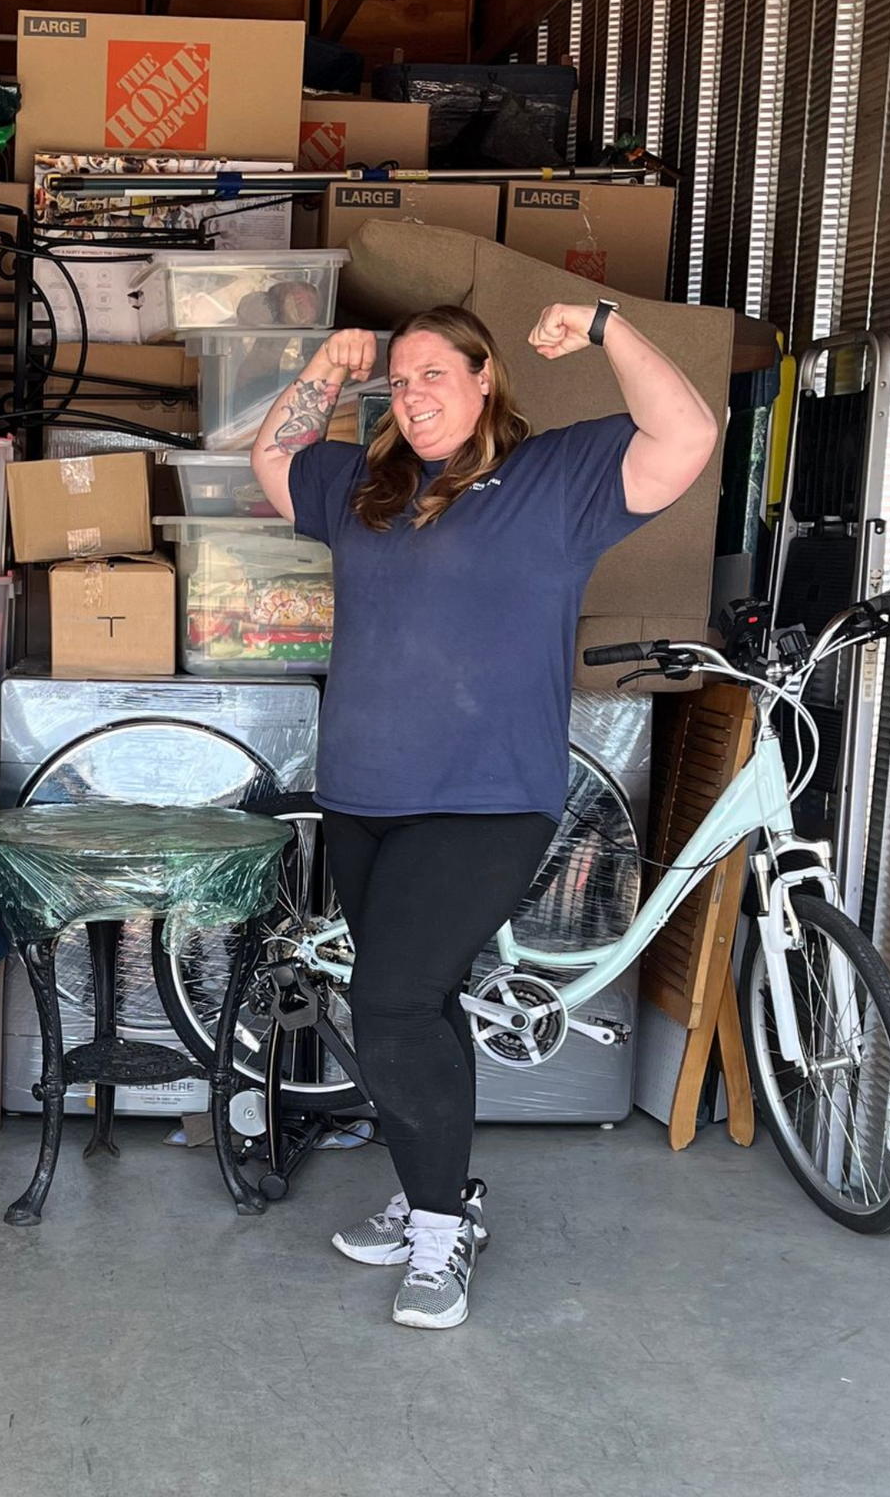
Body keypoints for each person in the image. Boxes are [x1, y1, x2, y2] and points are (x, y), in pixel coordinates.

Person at [248, 299, 717, 1330]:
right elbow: (275, 462)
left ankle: (438, 1235)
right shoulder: (367, 487)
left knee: (391, 1003)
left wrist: (605, 326)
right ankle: (438, 1189)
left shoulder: (557, 482)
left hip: (487, 801)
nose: (414, 398)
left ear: (485, 377)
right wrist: (327, 368)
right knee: (427, 1002)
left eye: (435, 377)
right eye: (400, 382)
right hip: (367, 799)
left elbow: (687, 433)